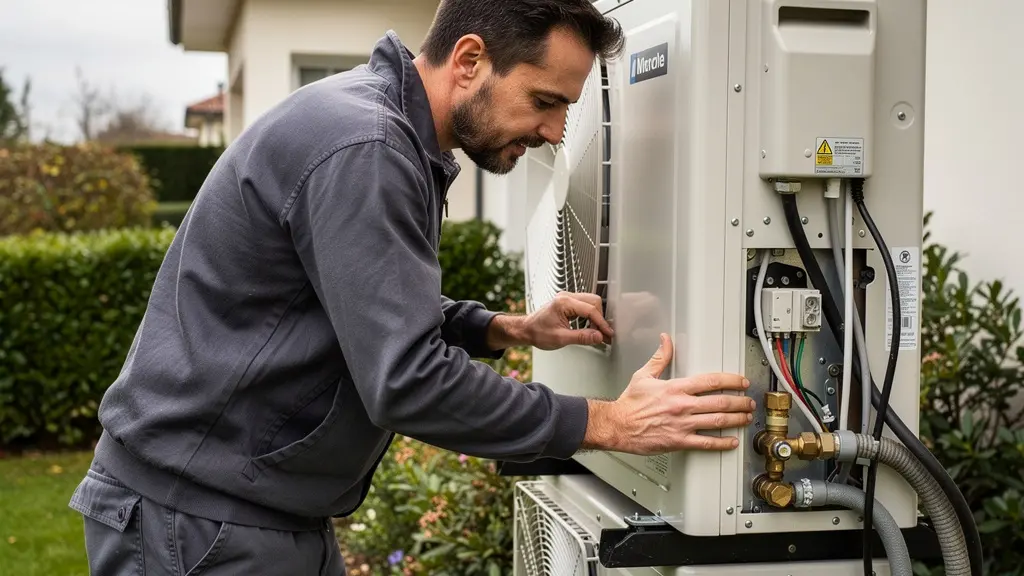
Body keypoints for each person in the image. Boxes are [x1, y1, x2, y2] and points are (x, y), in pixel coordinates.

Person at [68, 0, 756, 574]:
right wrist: (607, 422)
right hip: (196, 526)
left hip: (244, 513)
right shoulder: (366, 147)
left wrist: (501, 328)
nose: (553, 134)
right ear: (469, 61)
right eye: (544, 101)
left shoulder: (380, 130)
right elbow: (408, 381)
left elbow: (344, 304)